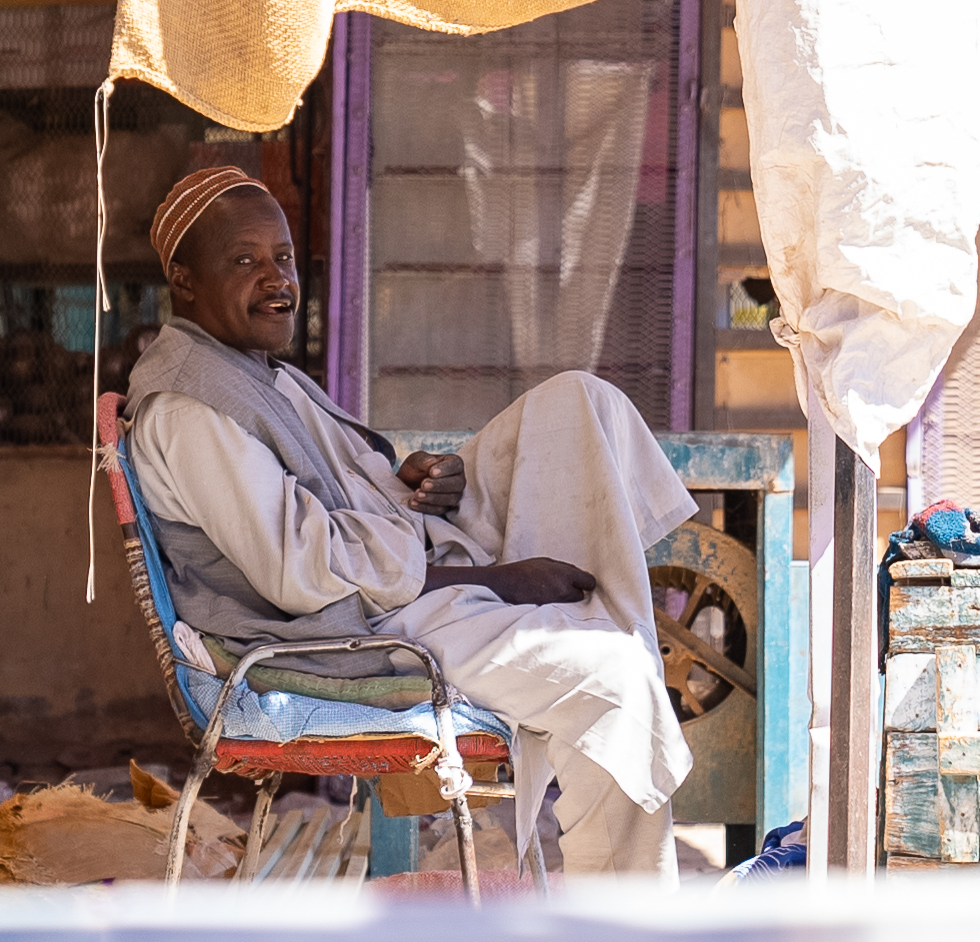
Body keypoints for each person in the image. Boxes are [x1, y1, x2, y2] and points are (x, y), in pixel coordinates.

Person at [126, 166, 696, 884]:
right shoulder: (192, 408)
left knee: (576, 405)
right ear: (184, 279)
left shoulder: (255, 369)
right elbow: (302, 574)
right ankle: (623, 920)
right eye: (244, 261)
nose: (276, 280)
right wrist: (490, 578)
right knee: (614, 678)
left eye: (284, 258)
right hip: (353, 630)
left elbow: (347, 490)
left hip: (402, 567)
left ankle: (600, 615)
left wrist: (415, 484)